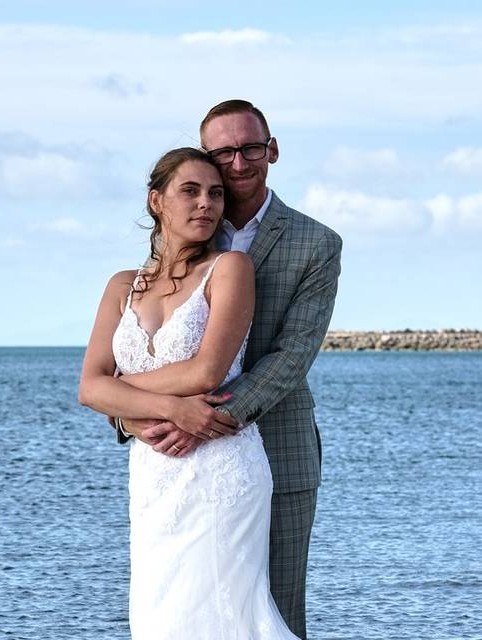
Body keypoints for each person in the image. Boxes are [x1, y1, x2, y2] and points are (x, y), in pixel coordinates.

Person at [113, 100, 342, 638]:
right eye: (224, 152)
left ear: (273, 150)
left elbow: (292, 356)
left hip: (271, 452)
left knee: (271, 617)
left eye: (251, 148)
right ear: (207, 158)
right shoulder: (184, 238)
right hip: (167, 462)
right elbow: (144, 348)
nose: (239, 163)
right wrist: (134, 416)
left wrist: (205, 417)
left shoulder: (316, 244)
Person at [79, 147, 302, 638]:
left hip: (220, 470)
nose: (206, 204)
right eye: (190, 191)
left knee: (227, 615)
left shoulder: (230, 268)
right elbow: (88, 386)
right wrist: (159, 407)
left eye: (216, 194)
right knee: (162, 617)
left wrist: (116, 392)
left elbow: (205, 372)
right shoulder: (121, 286)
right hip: (154, 472)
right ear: (156, 200)